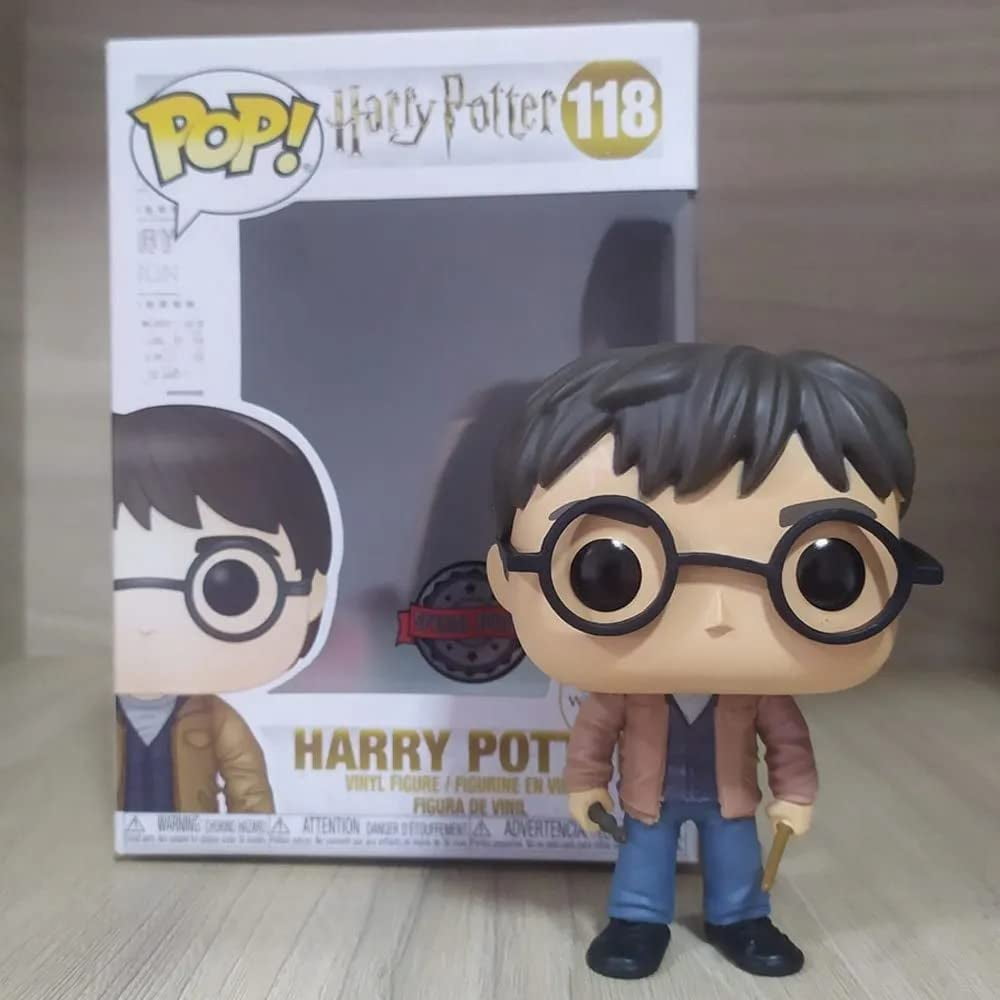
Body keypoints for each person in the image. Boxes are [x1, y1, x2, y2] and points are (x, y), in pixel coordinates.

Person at [487, 344, 941, 978]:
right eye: (608, 571)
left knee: (736, 859)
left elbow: (787, 741)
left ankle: (740, 918)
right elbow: (594, 733)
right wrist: (585, 784)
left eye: (824, 573)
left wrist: (795, 794)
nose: (720, 616)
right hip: (648, 796)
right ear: (505, 578)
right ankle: (638, 921)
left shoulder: (754, 694)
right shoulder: (627, 693)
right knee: (643, 860)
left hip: (731, 797)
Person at [113, 405, 333, 813]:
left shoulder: (217, 719)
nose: (147, 624)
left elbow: (249, 789)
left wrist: (254, 836)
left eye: (230, 587)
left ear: (314, 593)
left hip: (192, 842)